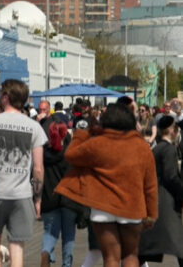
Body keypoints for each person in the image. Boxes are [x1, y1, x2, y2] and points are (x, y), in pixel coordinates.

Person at [56, 103, 158, 267]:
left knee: (110, 258)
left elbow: (70, 154)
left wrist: (84, 133)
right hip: (132, 208)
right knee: (131, 256)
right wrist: (152, 214)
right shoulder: (141, 147)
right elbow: (151, 184)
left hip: (102, 208)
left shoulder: (98, 143)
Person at [0, 79, 47, 267]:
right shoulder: (34, 127)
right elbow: (38, 168)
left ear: (6, 97)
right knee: (17, 248)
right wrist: (37, 198)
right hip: (21, 195)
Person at [139, 115, 183, 265]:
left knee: (147, 246)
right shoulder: (169, 149)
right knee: (177, 243)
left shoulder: (157, 147)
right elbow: (171, 176)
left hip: (157, 199)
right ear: (172, 131)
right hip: (166, 202)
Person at [40, 119, 78, 267]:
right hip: (69, 200)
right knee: (68, 237)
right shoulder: (71, 154)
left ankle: (46, 251)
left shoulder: (43, 154)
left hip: (50, 198)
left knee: (49, 233)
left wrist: (37, 198)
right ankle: (67, 264)